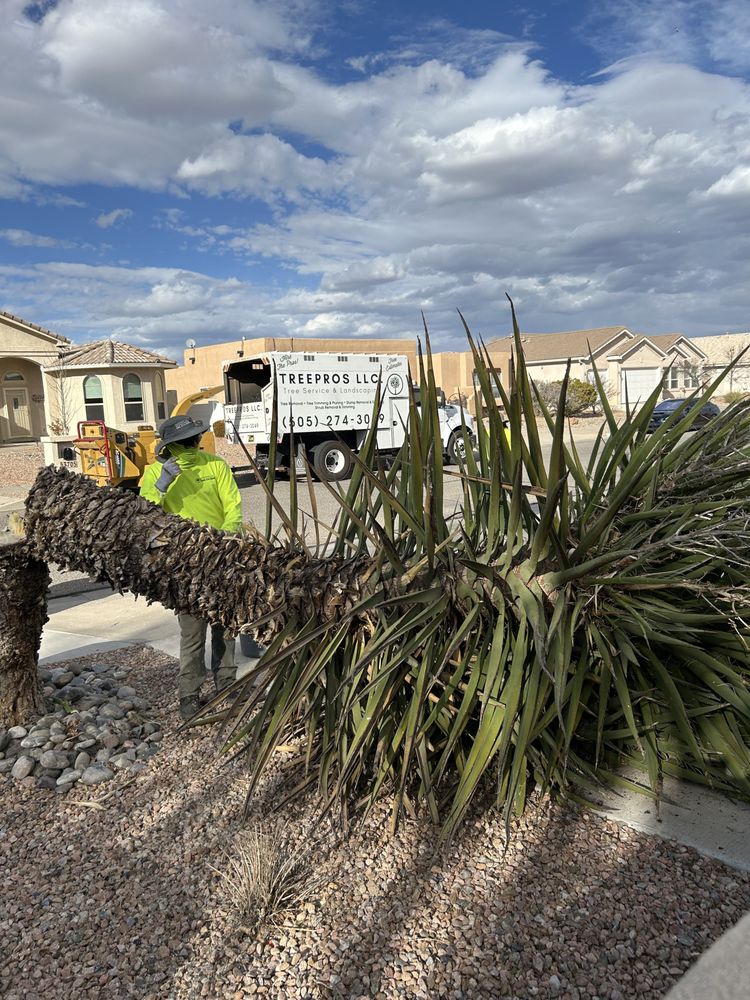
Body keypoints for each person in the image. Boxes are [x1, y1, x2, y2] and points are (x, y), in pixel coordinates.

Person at [140, 414, 243, 721]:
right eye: (183, 443)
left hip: (220, 559)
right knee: (193, 633)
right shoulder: (156, 472)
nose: (191, 446)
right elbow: (144, 517)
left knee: (225, 627)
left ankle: (227, 684)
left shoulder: (216, 466)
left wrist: (224, 540)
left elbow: (232, 506)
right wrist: (161, 485)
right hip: (183, 566)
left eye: (193, 440)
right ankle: (189, 693)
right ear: (169, 446)